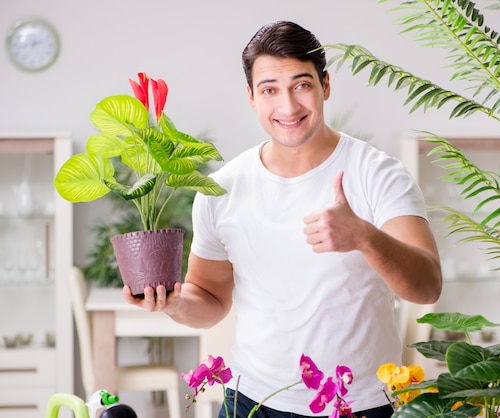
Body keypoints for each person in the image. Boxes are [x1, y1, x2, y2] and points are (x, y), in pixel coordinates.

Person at [124, 20, 442, 418]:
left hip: (356, 407)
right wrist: (172, 303)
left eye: (302, 85)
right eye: (270, 90)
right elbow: (210, 298)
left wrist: (364, 236)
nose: (288, 106)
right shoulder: (222, 188)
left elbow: (428, 286)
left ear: (325, 86)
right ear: (251, 97)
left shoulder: (378, 173)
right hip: (250, 402)